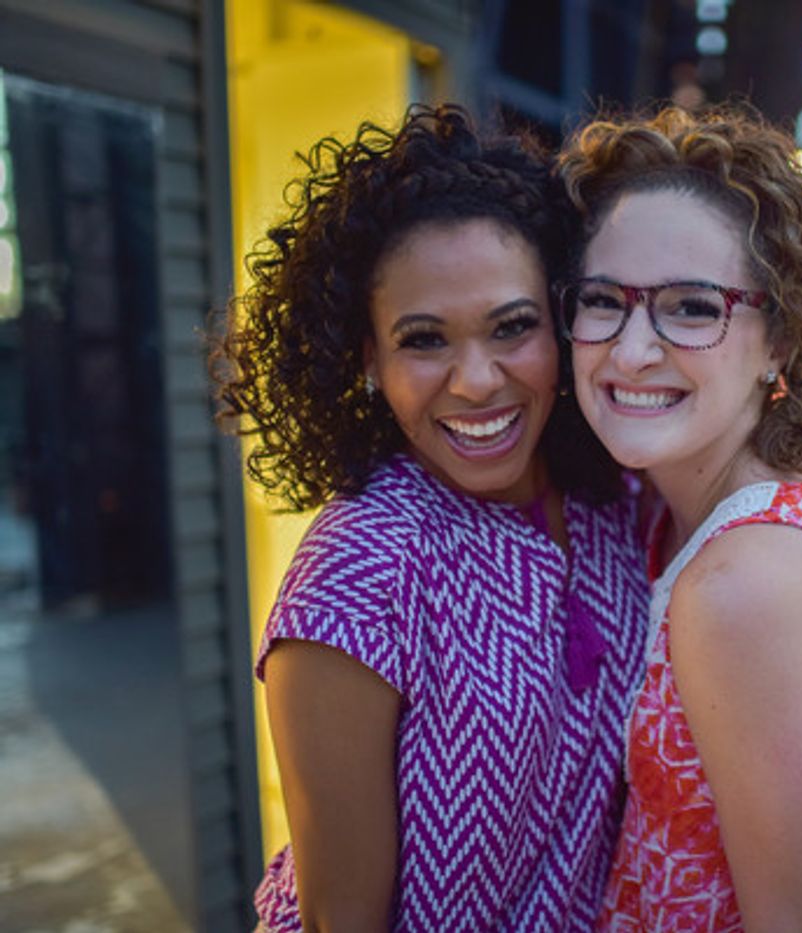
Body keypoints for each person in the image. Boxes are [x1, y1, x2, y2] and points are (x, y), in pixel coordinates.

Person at [211, 104, 652, 931]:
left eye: (512, 327)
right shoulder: (359, 573)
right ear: (368, 360)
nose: (477, 380)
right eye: (424, 340)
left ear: (562, 326)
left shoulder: (615, 499)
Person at [557, 105, 802, 932]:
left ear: (780, 344)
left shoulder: (748, 584)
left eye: (690, 308)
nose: (632, 350)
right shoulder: (675, 511)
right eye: (603, 300)